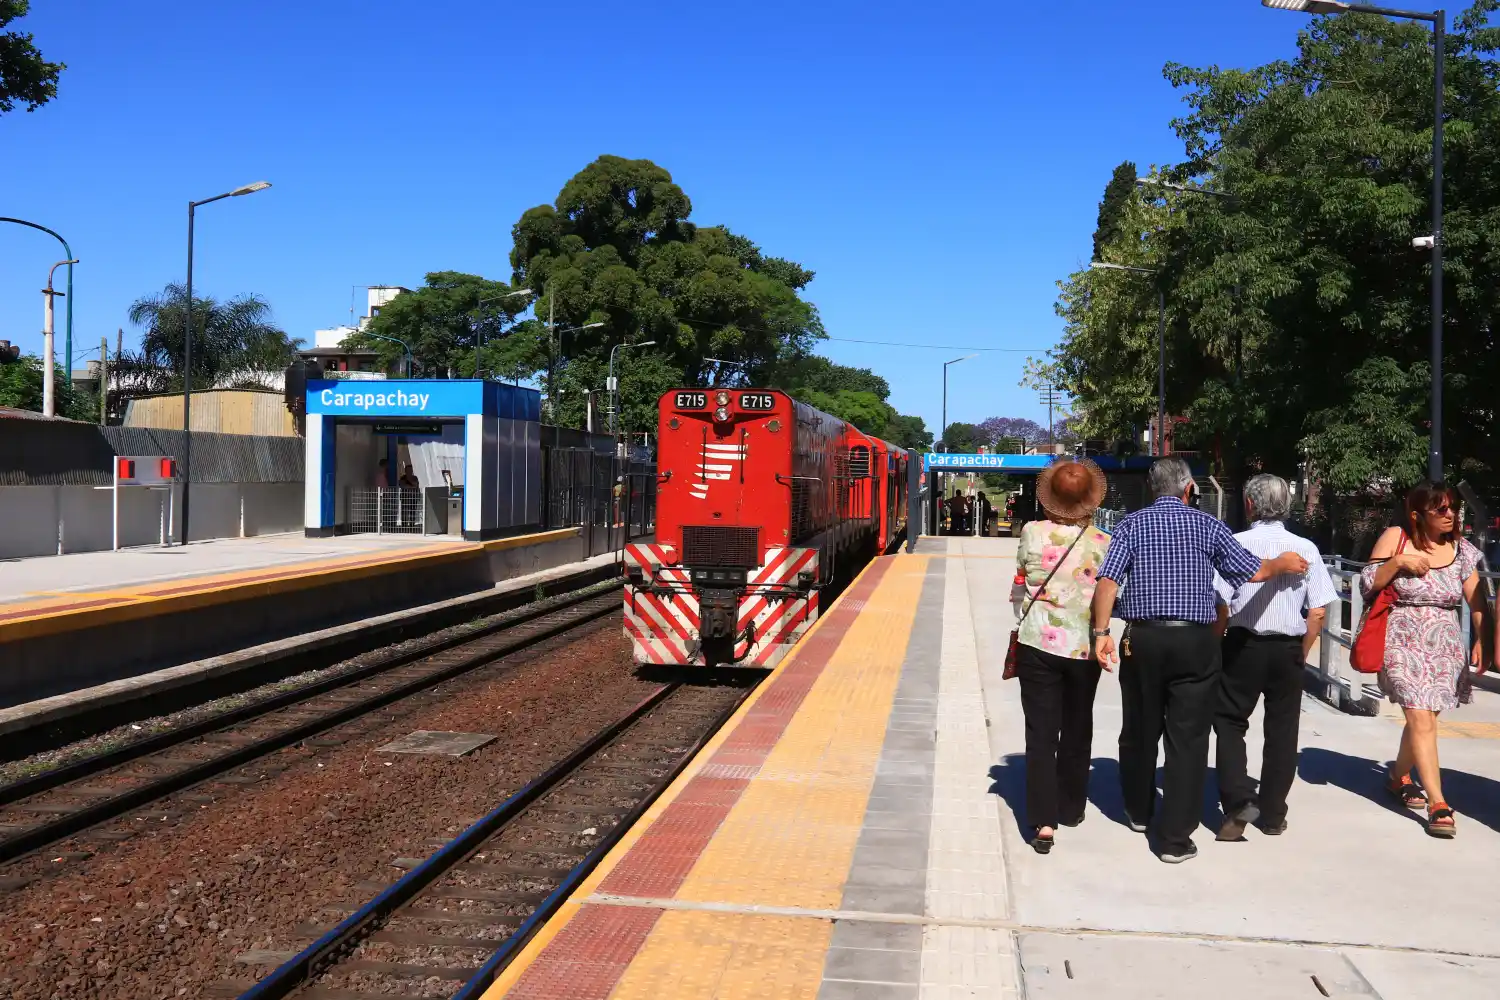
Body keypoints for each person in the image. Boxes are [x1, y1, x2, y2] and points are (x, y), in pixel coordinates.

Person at [1090, 458, 1309, 863]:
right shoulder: (1208, 526)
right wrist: (1280, 564)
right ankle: (1174, 839)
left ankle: (1139, 810)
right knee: (1187, 738)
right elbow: (1252, 572)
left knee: (1139, 728)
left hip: (1143, 637)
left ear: (1152, 488)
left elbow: (1108, 582)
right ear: (1190, 490)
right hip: (1195, 641)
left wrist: (1102, 633)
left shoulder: (1130, 525)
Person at [1211, 474, 1337, 841]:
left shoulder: (1234, 544)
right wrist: (1303, 650)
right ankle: (1273, 814)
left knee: (1231, 721)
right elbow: (1317, 611)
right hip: (1287, 648)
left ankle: (1238, 801)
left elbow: (1220, 602)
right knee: (1282, 731)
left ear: (1249, 504)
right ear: (1287, 506)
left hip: (1242, 644)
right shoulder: (1306, 549)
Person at [1361, 481, 1485, 838]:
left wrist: (1483, 641)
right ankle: (1438, 802)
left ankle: (1397, 776)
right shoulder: (1396, 537)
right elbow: (1367, 582)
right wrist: (1398, 562)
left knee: (1425, 719)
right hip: (1402, 639)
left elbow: (1477, 602)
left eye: (1453, 508)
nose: (1450, 514)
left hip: (1445, 644)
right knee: (1419, 715)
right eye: (1441, 509)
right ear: (1418, 514)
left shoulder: (1462, 550)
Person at [1014, 459, 1112, 854]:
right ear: (1090, 500)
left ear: (1048, 497)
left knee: (1041, 732)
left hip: (1037, 641)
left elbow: (1021, 576)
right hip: (1084, 647)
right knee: (1077, 724)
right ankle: (1071, 806)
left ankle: (1044, 821)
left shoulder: (1031, 532)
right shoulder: (1103, 541)